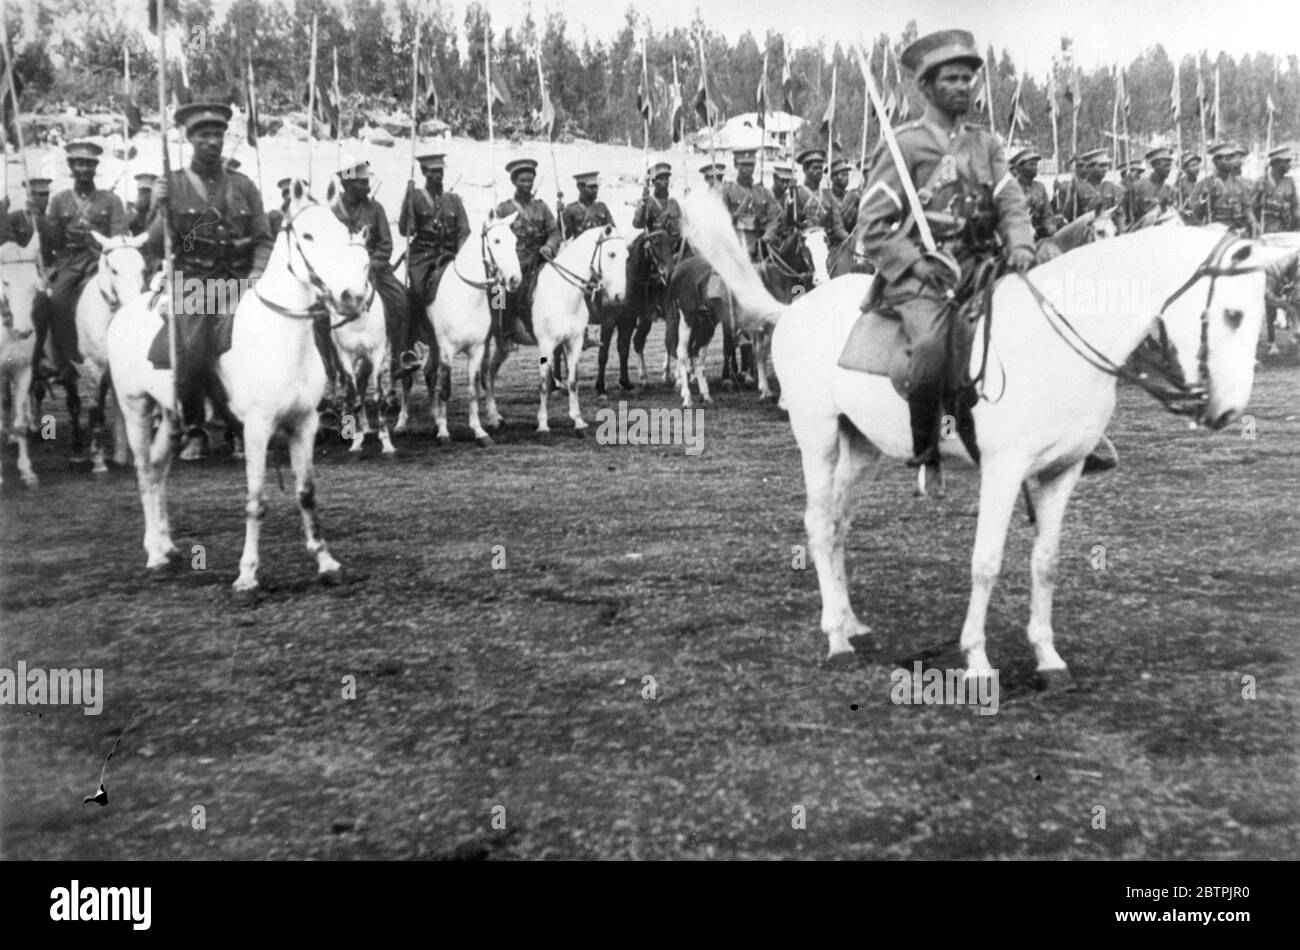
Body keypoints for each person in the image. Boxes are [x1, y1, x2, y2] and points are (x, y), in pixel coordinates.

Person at [856, 29, 1099, 475]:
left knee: (1048, 317)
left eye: (969, 78)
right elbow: (872, 227)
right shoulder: (904, 145)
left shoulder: (986, 144)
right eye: (951, 78)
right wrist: (913, 261)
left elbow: (1011, 203)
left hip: (985, 263)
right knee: (930, 345)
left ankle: (1076, 432)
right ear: (926, 87)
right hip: (925, 273)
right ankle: (929, 441)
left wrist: (1022, 244)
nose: (964, 86)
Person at [143, 103, 274, 461]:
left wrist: (256, 274)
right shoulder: (174, 184)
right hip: (193, 284)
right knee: (194, 354)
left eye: (218, 134)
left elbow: (263, 237)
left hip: (238, 281)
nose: (213, 141)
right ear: (190, 139)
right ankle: (195, 427)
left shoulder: (244, 186)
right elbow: (157, 244)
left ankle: (253, 423)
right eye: (204, 135)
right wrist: (159, 209)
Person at [44, 141, 127, 388]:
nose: (84, 169)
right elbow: (52, 241)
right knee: (56, 300)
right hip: (69, 262)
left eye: (89, 164)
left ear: (95, 168)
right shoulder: (59, 201)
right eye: (79, 163)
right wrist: (44, 223)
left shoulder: (110, 200)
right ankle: (62, 360)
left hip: (99, 261)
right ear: (71, 167)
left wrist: (94, 235)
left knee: (128, 296)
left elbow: (119, 236)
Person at [333, 159, 410, 389]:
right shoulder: (335, 211)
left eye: (367, 183)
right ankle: (329, 366)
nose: (366, 187)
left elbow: (386, 244)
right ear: (347, 185)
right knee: (317, 313)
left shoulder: (376, 209)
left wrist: (369, 264)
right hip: (342, 274)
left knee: (402, 301)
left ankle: (399, 358)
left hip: (375, 270)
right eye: (360, 183)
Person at [397, 153, 470, 369]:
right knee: (417, 292)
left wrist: (460, 253)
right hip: (423, 255)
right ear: (424, 173)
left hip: (449, 254)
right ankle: (409, 344)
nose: (438, 176)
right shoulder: (416, 197)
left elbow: (464, 230)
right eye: (433, 172)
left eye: (440, 171)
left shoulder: (454, 200)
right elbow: (405, 230)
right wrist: (406, 200)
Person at [493, 158, 561, 342]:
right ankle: (502, 330)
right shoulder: (504, 208)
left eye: (530, 180)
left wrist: (549, 247)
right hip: (513, 264)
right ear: (514, 182)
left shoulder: (542, 207)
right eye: (522, 180)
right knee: (499, 295)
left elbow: (555, 232)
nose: (527, 184)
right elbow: (494, 238)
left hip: (539, 262)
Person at [722, 149, 779, 261]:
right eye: (743, 164)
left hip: (759, 247)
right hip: (734, 246)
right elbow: (721, 221)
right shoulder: (727, 191)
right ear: (735, 165)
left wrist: (767, 236)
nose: (747, 169)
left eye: (751, 165)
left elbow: (773, 218)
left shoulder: (763, 192)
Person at [1188, 142, 1257, 234]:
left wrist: (1253, 221)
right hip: (1215, 231)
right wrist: (1208, 197)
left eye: (1232, 158)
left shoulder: (1239, 183)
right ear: (1216, 162)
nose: (1231, 162)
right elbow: (1195, 213)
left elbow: (1247, 206)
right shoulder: (1204, 184)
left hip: (1238, 229)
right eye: (1227, 159)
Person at [1054, 148, 1126, 229]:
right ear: (1089, 168)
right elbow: (1068, 215)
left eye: (1106, 165)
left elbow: (1118, 213)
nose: (1105, 168)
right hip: (1084, 231)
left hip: (1108, 231)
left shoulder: (1111, 187)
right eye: (1101, 165)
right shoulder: (1077, 188)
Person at [791, 148, 849, 247]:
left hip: (827, 243)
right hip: (804, 245)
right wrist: (790, 199)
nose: (819, 171)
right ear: (805, 170)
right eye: (814, 168)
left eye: (820, 168)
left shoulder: (828, 195)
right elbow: (789, 224)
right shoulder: (797, 192)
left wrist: (849, 239)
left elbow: (838, 226)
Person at [1008, 147, 1056, 240]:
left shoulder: (1040, 187)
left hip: (1039, 235)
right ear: (1020, 167)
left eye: (1036, 165)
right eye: (1031, 165)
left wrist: (1049, 227)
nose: (1035, 168)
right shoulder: (1010, 188)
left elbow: (1048, 214)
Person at [632, 161, 682, 245]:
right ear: (653, 182)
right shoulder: (649, 202)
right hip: (657, 247)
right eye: (661, 179)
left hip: (675, 245)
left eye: (666, 179)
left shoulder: (674, 203)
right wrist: (643, 205)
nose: (665, 182)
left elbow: (683, 225)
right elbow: (637, 224)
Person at [1126, 146, 1177, 225]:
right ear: (1154, 166)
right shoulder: (1137, 187)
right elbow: (1128, 215)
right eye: (1165, 166)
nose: (1168, 169)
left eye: (1169, 165)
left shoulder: (1171, 190)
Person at [561, 171, 614, 237]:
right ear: (580, 187)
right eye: (591, 187)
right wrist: (559, 214)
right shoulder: (570, 209)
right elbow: (565, 235)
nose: (595, 190)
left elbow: (612, 231)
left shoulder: (602, 207)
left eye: (596, 187)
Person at [1175, 152, 1201, 217]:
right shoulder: (1181, 184)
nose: (1197, 167)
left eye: (1197, 164)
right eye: (1193, 165)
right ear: (1185, 169)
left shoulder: (1199, 183)